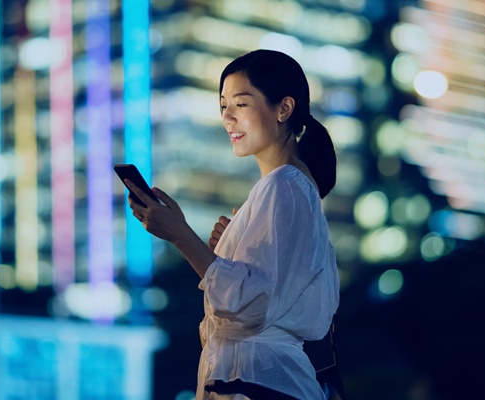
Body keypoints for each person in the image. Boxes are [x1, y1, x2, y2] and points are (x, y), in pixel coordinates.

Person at [125, 49, 340, 399]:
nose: (228, 117)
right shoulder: (292, 188)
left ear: (283, 109)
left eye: (241, 103)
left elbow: (251, 306)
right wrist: (228, 257)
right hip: (261, 377)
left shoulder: (283, 184)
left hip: (255, 379)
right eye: (223, 105)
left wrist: (179, 234)